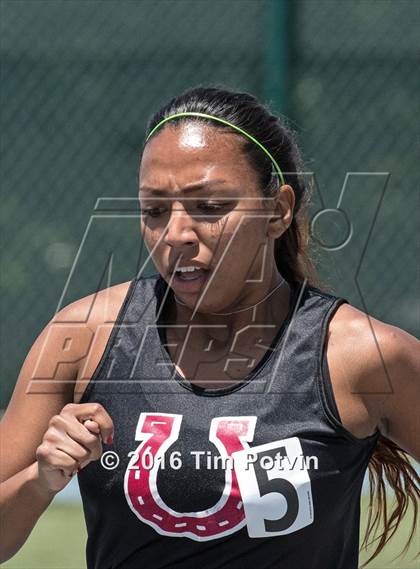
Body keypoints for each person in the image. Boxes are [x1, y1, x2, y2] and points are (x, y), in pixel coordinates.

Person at [0, 86, 419, 569]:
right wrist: (41, 479)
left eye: (210, 207)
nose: (176, 233)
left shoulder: (360, 355)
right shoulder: (82, 337)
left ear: (278, 210)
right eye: (154, 210)